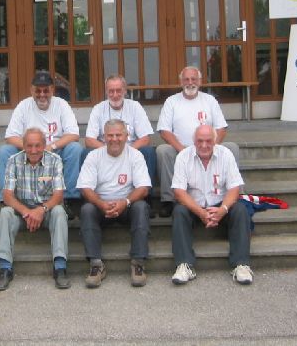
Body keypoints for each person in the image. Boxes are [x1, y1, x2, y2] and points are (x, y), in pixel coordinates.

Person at [170, 124, 253, 286]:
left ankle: (241, 265)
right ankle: (184, 265)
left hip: (220, 205)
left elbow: (234, 188)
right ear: (194, 141)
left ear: (215, 141)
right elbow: (179, 192)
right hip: (194, 206)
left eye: (208, 141)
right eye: (199, 141)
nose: (204, 145)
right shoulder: (183, 156)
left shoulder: (226, 154)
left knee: (240, 210)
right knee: (179, 211)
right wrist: (200, 212)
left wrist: (223, 209)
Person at [77, 119, 152, 288]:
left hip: (127, 205)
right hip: (101, 206)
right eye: (110, 135)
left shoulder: (135, 155)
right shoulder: (94, 156)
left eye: (119, 135)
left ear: (126, 136)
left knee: (141, 207)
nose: (114, 139)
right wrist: (101, 203)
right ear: (104, 137)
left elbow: (143, 188)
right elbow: (85, 188)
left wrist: (125, 202)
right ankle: (96, 265)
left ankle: (138, 263)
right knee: (87, 209)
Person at [155, 66, 238, 217]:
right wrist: (182, 150)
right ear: (181, 82)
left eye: (193, 79)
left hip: (208, 146)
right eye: (186, 79)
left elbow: (221, 128)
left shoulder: (210, 100)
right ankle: (168, 200)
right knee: (163, 150)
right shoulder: (171, 101)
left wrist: (212, 147)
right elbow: (164, 131)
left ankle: (233, 197)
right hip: (181, 149)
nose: (190, 82)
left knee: (232, 147)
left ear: (200, 81)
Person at [0, 127, 70, 291]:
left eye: (37, 145)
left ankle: (60, 267)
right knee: (5, 213)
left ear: (44, 145)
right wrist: (27, 212)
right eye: (29, 145)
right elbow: (7, 196)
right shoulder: (13, 161)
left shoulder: (55, 160)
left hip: (46, 211)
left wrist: (41, 210)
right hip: (22, 212)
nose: (33, 150)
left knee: (59, 212)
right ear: (23, 145)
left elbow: (58, 195)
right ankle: (5, 268)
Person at [0, 71, 82, 215]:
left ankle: (70, 200)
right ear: (32, 90)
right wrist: (32, 148)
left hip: (54, 150)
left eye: (46, 90)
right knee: (4, 151)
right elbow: (10, 136)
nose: (42, 94)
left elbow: (74, 134)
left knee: (75, 149)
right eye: (38, 91)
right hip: (29, 151)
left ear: (52, 90)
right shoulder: (23, 106)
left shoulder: (62, 105)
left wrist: (51, 146)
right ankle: (7, 201)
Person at [83, 74, 157, 202]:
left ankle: (145, 196)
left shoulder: (135, 106)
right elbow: (89, 140)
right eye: (111, 91)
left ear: (125, 91)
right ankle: (90, 198)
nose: (115, 94)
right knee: (86, 153)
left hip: (131, 150)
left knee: (148, 152)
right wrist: (108, 150)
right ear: (106, 92)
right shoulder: (98, 109)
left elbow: (145, 138)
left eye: (118, 90)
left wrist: (126, 151)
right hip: (106, 150)